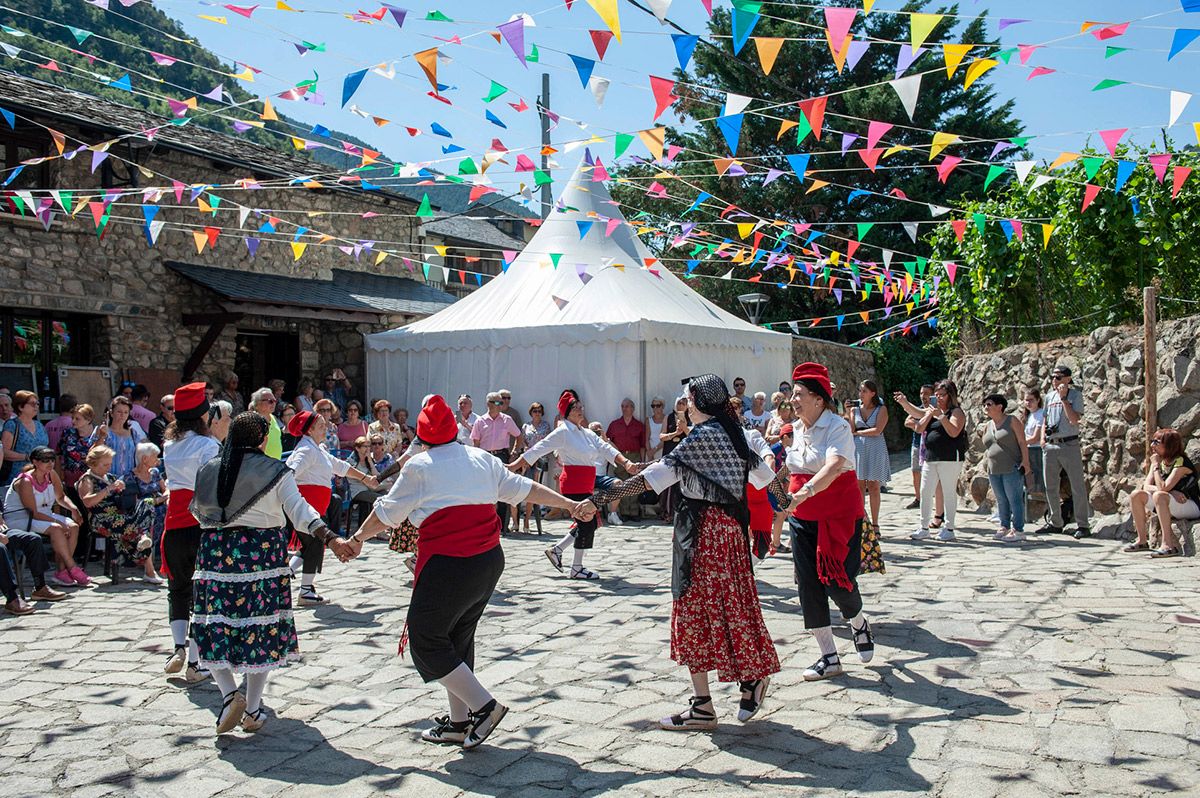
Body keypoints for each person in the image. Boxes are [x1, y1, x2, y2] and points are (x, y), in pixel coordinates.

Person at [345, 395, 593, 748]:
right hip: (488, 562)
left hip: (449, 562)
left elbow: (386, 514)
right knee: (458, 639)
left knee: (426, 640)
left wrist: (355, 538)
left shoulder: (420, 466)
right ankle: (459, 723)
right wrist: (569, 505)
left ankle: (484, 707)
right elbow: (525, 489)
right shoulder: (480, 459)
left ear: (424, 436)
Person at [588, 374, 786, 729]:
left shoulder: (702, 438)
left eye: (689, 401)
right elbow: (768, 479)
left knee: (695, 609)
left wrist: (602, 498)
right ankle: (742, 682)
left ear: (701, 403)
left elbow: (652, 478)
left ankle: (707, 701)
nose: (686, 407)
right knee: (732, 604)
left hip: (703, 533)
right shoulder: (734, 434)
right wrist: (790, 503)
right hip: (727, 534)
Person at [190, 412, 354, 734]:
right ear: (263, 439)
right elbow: (300, 510)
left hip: (215, 556)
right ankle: (251, 709)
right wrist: (331, 538)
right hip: (260, 556)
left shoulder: (209, 470)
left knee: (213, 624)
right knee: (260, 631)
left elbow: (199, 515)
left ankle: (227, 696)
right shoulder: (274, 470)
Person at [777, 363, 874, 682]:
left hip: (838, 516)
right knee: (808, 586)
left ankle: (857, 620)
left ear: (819, 399)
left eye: (800, 394)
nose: (793, 399)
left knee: (838, 581)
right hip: (802, 517)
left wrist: (803, 492)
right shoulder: (797, 430)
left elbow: (834, 467)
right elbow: (790, 470)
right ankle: (828, 656)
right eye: (793, 393)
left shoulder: (837, 427)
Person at [512, 390, 639, 580]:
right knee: (587, 522)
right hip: (573, 483)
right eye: (577, 407)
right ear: (569, 411)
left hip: (586, 483)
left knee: (589, 522)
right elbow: (539, 448)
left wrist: (626, 463)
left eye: (581, 407)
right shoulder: (563, 431)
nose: (581, 410)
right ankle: (576, 567)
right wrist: (515, 464)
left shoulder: (587, 433)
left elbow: (606, 448)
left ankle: (558, 550)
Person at [161, 383, 222, 684]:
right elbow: (213, 486)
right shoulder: (208, 446)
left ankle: (177, 648)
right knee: (203, 595)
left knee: (178, 588)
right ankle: (196, 663)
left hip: (173, 524)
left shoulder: (168, 445)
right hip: (200, 524)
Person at [285, 410, 378, 605]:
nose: (325, 427)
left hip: (314, 508)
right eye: (320, 425)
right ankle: (303, 589)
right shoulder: (306, 450)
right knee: (315, 543)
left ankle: (290, 576)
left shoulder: (317, 449)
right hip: (305, 509)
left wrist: (365, 478)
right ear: (309, 430)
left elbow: (341, 467)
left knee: (312, 544)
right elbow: (289, 474)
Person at [2, 446, 87, 587]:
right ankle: (72, 567)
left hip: (44, 515)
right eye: (45, 460)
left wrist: (74, 509)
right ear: (35, 461)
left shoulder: (51, 474)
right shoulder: (26, 481)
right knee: (56, 528)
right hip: (21, 518)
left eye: (52, 460)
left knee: (73, 526)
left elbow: (60, 497)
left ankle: (61, 571)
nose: (50, 463)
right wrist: (57, 522)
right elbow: (33, 512)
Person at [77, 445, 157, 582]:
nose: (108, 467)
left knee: (147, 502)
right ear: (94, 464)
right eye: (105, 465)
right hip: (102, 519)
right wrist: (108, 490)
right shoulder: (87, 480)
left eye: (109, 464)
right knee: (138, 528)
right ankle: (149, 568)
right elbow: (88, 502)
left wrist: (122, 489)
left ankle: (143, 538)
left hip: (120, 514)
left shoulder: (108, 476)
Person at [901, 381, 967, 542]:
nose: (939, 398)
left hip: (950, 458)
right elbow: (918, 422)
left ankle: (949, 528)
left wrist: (941, 416)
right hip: (931, 457)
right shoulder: (931, 411)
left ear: (950, 395)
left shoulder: (956, 412)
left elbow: (953, 431)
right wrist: (906, 403)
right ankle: (924, 527)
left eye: (942, 395)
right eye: (936, 395)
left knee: (948, 492)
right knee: (925, 492)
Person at [1124, 428, 1200, 558]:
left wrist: (1157, 468)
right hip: (1172, 501)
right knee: (1136, 494)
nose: (1152, 445)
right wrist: (1172, 491)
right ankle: (1142, 540)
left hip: (1190, 505)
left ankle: (1168, 546)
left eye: (1157, 442)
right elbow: (1146, 486)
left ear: (1169, 445)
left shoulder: (1180, 462)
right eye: (1152, 441)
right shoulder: (1159, 461)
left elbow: (1163, 487)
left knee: (1160, 495)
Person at [1039, 365, 1092, 539]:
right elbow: (1045, 418)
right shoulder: (1048, 397)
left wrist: (1064, 399)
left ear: (1068, 379)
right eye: (1053, 377)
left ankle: (1083, 524)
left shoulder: (1075, 395)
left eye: (1059, 377)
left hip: (1069, 444)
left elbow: (1074, 419)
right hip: (1051, 445)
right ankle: (1055, 522)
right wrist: (1042, 439)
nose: (1055, 380)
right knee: (1051, 486)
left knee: (1077, 485)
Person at [982, 394, 1033, 544]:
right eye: (985, 404)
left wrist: (1026, 461)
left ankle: (1018, 529)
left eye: (989, 404)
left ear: (1000, 406)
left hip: (1011, 467)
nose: (986, 407)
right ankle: (1004, 526)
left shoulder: (1012, 421)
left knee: (1014, 498)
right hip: (994, 468)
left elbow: (1022, 442)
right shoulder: (988, 425)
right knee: (1001, 499)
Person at [471, 393, 525, 532]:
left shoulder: (507, 420)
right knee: (484, 489)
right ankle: (485, 523)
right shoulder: (480, 421)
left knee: (502, 488)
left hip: (501, 455)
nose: (501, 405)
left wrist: (514, 453)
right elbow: (475, 444)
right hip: (484, 456)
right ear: (489, 403)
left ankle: (502, 526)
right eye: (498, 403)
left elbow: (519, 436)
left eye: (502, 403)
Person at [1, 516, 68, 613]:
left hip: (3, 531)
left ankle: (40, 587)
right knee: (0, 548)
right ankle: (11, 598)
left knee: (34, 539)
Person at [849, 381, 890, 530]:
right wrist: (849, 413)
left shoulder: (881, 409)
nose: (861, 394)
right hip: (859, 448)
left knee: (873, 486)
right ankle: (861, 520)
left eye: (864, 391)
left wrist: (858, 433)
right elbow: (851, 428)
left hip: (875, 448)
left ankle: (875, 523)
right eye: (860, 391)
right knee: (859, 486)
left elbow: (878, 430)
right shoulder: (855, 410)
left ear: (872, 393)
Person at [131, 441, 168, 581]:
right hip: (143, 509)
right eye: (155, 456)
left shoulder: (155, 472)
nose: (158, 460)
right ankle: (147, 557)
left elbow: (165, 489)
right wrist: (156, 501)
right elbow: (133, 500)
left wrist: (166, 496)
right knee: (151, 513)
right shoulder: (131, 476)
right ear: (144, 459)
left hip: (160, 506)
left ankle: (157, 556)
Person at [606, 398, 646, 524]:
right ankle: (623, 512)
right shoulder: (614, 424)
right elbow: (607, 440)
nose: (624, 408)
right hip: (620, 457)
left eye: (627, 406)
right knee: (622, 484)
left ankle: (633, 512)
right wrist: (615, 454)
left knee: (634, 484)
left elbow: (643, 445)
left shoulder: (639, 425)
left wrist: (642, 460)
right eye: (622, 406)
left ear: (633, 408)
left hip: (634, 456)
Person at [91, 396, 146, 480]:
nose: (122, 415)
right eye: (119, 412)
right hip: (106, 479)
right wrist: (102, 437)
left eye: (126, 412)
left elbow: (141, 454)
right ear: (111, 413)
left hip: (129, 480)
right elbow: (92, 454)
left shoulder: (133, 433)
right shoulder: (102, 430)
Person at [2, 390, 49, 487]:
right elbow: (4, 452)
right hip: (18, 476)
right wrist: (26, 457)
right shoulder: (12, 425)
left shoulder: (39, 425)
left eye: (37, 403)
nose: (36, 406)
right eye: (32, 404)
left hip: (40, 475)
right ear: (20, 407)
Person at [519, 402, 552, 533]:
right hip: (528, 459)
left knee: (536, 486)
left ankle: (532, 513)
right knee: (526, 485)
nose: (537, 413)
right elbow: (523, 440)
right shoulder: (526, 426)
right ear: (531, 412)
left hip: (540, 459)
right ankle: (522, 517)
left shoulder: (545, 426)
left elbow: (548, 442)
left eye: (539, 411)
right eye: (534, 411)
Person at [902, 384, 934, 510]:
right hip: (917, 444)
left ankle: (932, 499)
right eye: (921, 393)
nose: (923, 396)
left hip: (931, 446)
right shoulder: (917, 409)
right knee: (916, 472)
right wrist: (919, 424)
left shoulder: (935, 409)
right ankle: (918, 498)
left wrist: (917, 424)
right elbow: (907, 422)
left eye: (926, 393)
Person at [1022, 387, 1046, 498]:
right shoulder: (1029, 416)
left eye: (1031, 400)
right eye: (1026, 400)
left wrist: (1020, 443)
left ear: (1038, 400)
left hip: (1036, 450)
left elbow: (1035, 437)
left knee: (1038, 480)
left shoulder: (1040, 414)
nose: (1028, 403)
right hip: (1028, 449)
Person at [249, 388, 284, 459]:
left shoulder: (273, 417)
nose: (274, 403)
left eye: (275, 401)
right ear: (258, 403)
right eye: (270, 401)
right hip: (262, 466)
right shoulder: (253, 421)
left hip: (275, 464)